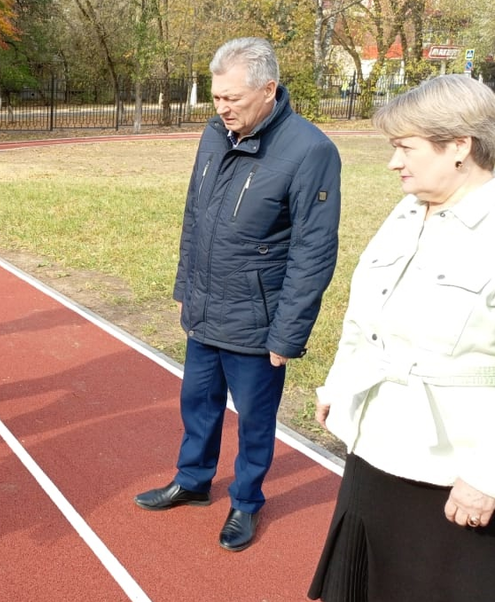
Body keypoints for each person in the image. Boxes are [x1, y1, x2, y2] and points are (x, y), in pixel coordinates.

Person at [134, 37, 342, 552]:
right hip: (206, 305)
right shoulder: (214, 134)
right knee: (197, 404)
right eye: (216, 97)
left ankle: (247, 501)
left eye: (232, 98)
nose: (222, 108)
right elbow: (195, 216)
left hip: (258, 317)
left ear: (268, 89)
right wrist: (185, 285)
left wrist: (288, 332)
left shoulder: (310, 150)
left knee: (254, 419)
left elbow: (314, 253)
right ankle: (194, 480)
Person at [309, 74, 495, 602]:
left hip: (451, 476)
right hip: (376, 449)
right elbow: (364, 314)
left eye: (405, 148)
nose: (394, 163)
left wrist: (487, 474)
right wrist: (337, 383)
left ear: (459, 145)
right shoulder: (408, 210)